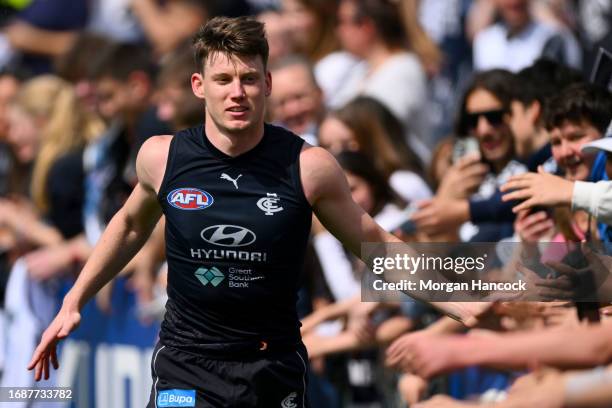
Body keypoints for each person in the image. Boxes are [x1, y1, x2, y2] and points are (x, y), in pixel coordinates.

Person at [27, 16, 489, 407]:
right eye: (224, 80)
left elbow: (377, 245)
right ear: (199, 86)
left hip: (271, 366)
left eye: (249, 79)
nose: (237, 93)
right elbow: (128, 226)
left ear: (266, 83)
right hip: (185, 363)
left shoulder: (309, 166)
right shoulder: (162, 157)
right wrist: (74, 301)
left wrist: (456, 302)